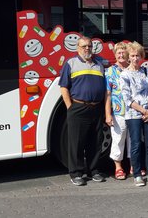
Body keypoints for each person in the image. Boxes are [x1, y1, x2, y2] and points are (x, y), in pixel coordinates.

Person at [59, 36, 106, 186]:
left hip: (97, 107)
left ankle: (93, 171)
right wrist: (70, 107)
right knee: (76, 142)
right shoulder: (71, 63)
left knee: (95, 141)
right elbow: (64, 87)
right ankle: (76, 173)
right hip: (78, 108)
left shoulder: (99, 65)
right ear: (77, 48)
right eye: (84, 46)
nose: (87, 49)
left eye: (90, 46)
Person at [120, 42, 148, 186]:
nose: (135, 58)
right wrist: (144, 111)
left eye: (138, 55)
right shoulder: (124, 74)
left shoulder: (145, 71)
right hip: (134, 115)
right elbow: (127, 99)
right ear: (128, 57)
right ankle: (137, 174)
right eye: (132, 56)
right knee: (136, 144)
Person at [105, 42, 130, 180]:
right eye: (118, 53)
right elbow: (108, 94)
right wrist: (108, 114)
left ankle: (134, 165)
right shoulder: (110, 71)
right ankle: (118, 167)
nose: (121, 55)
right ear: (115, 55)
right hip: (118, 111)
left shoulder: (133, 69)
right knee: (118, 138)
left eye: (123, 52)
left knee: (134, 139)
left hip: (133, 111)